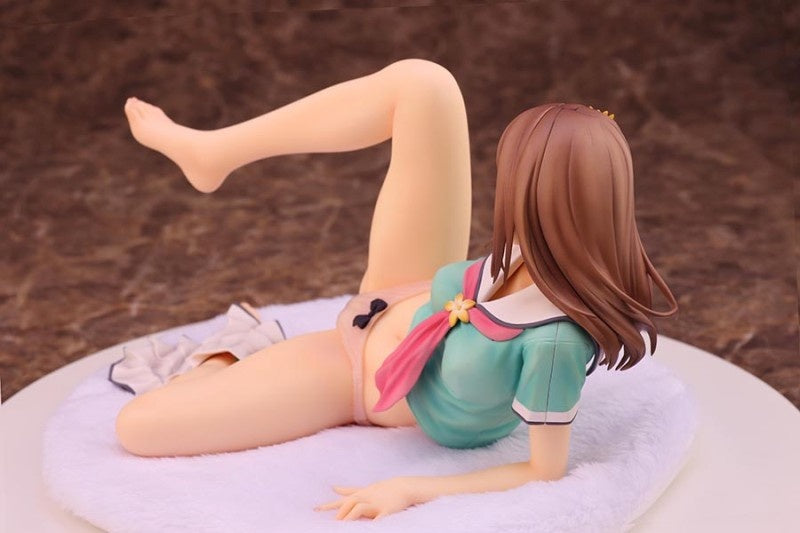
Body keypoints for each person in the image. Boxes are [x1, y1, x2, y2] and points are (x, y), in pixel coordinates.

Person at [113, 58, 678, 521]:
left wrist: (411, 488)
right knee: (425, 84)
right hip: (404, 289)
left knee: (138, 427)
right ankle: (214, 152)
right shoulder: (540, 248)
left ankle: (227, 360)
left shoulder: (552, 344)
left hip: (354, 376)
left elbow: (542, 471)